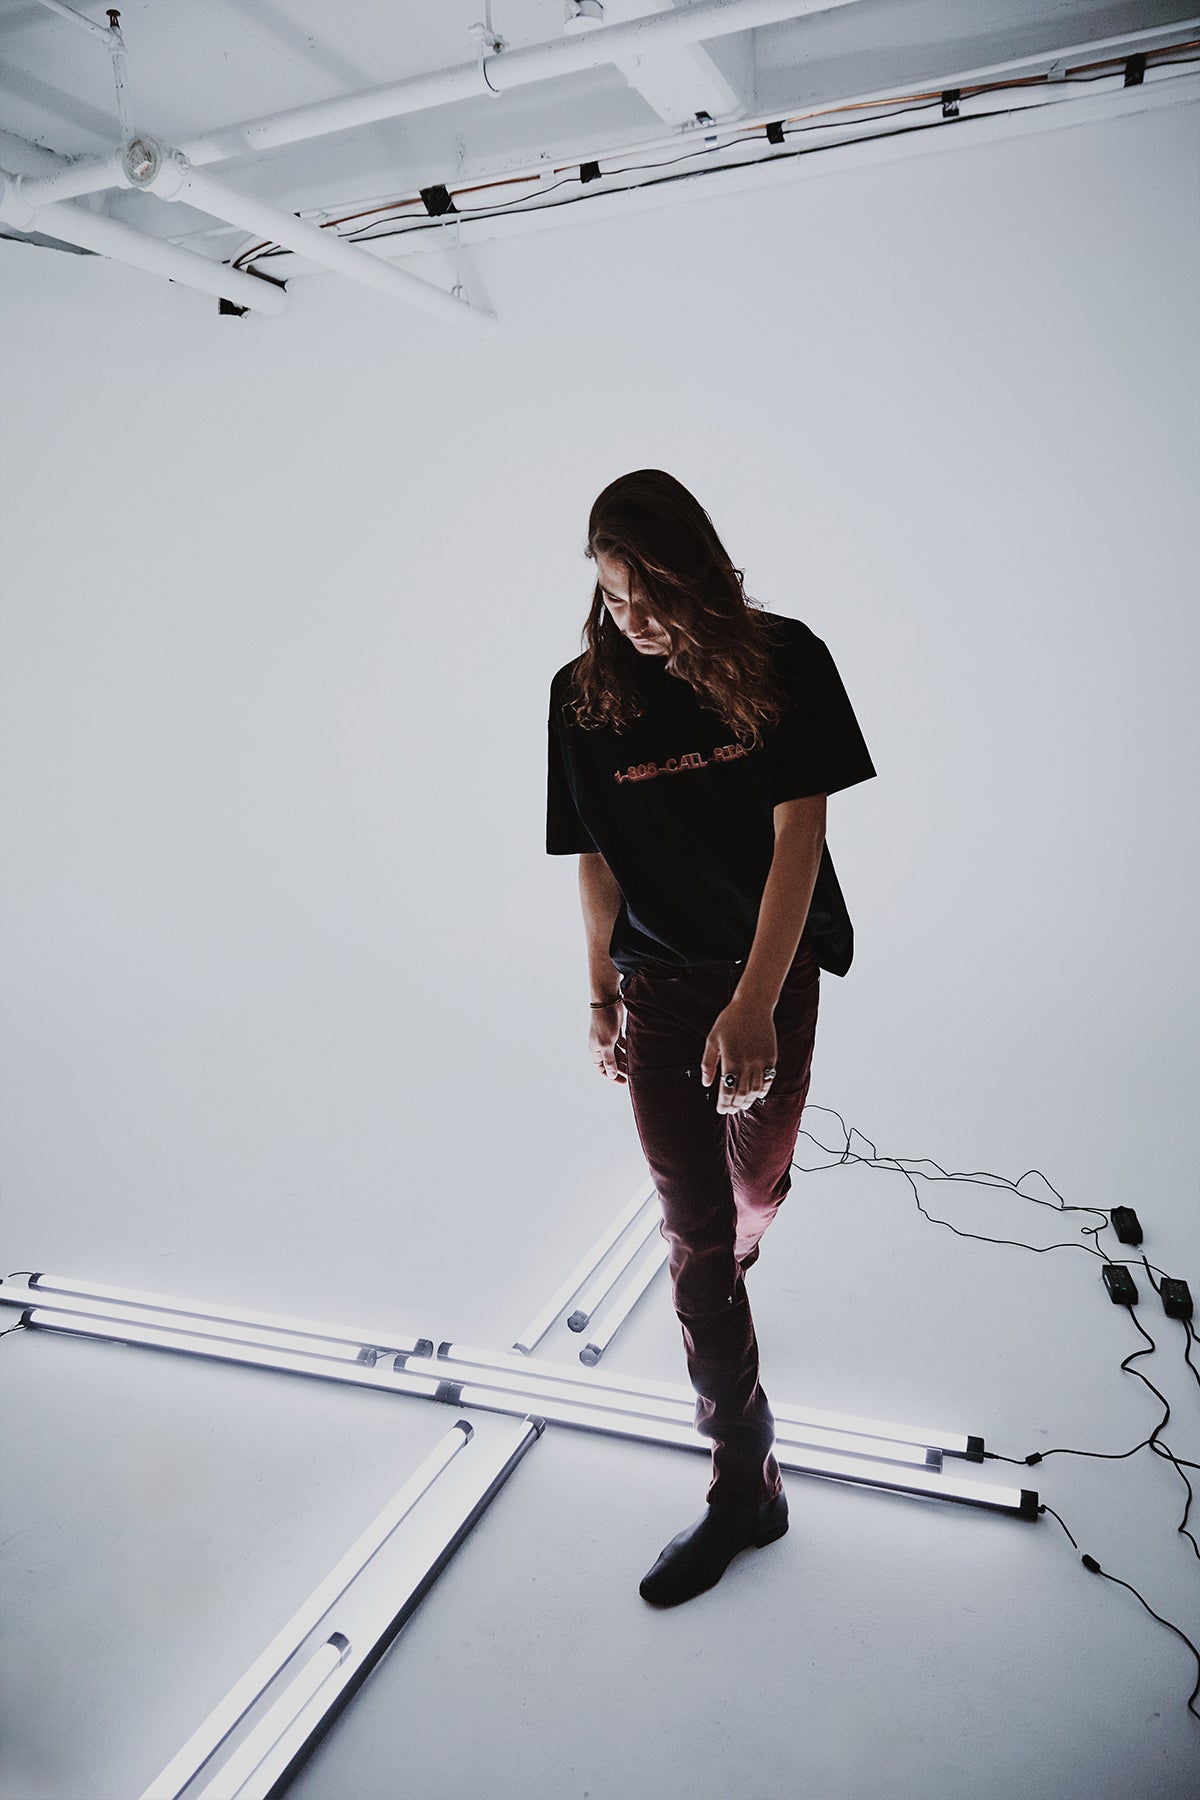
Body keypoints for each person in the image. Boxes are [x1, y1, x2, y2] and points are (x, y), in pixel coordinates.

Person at [545, 469, 876, 1606]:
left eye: (653, 595)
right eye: (612, 597)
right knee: (692, 1236)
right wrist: (601, 997)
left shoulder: (787, 659)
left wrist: (756, 1001)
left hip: (770, 978)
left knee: (749, 1194)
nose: (633, 620)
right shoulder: (580, 696)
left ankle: (734, 1252)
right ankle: (746, 1491)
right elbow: (593, 856)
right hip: (658, 987)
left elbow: (800, 837)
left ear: (702, 574)